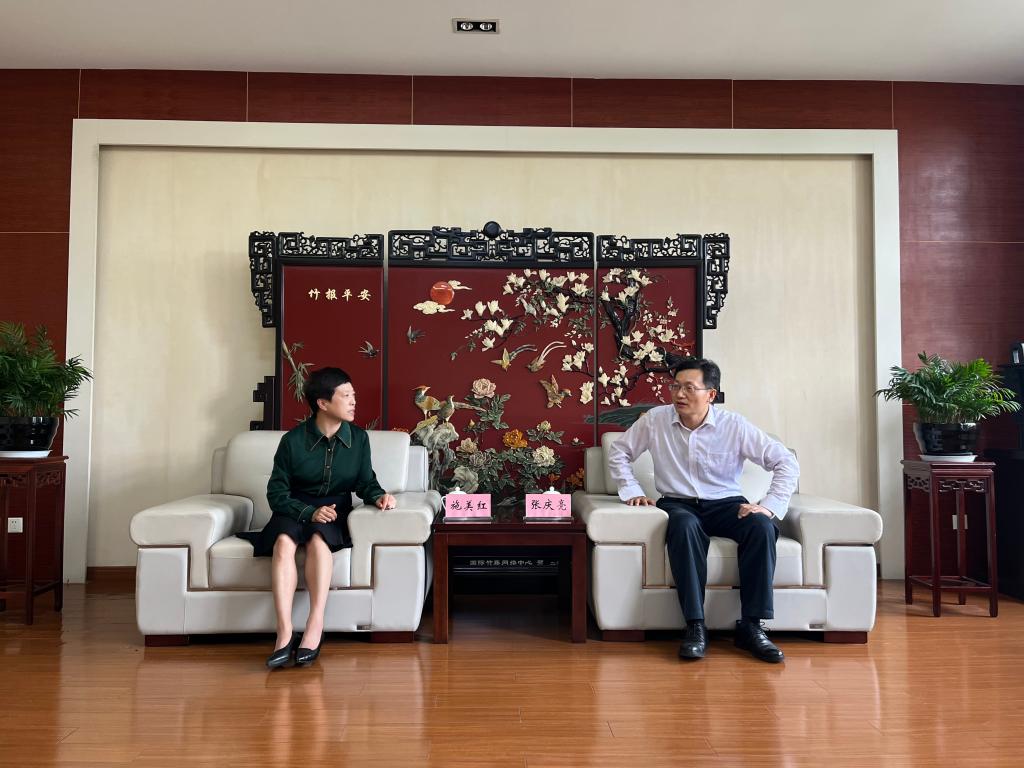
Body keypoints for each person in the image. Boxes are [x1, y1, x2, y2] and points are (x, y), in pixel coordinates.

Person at [607, 358, 799, 663]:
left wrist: (768, 506)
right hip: (678, 503)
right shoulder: (655, 420)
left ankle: (752, 626)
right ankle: (695, 626)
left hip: (727, 504)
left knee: (762, 527)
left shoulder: (734, 425)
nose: (679, 394)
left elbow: (785, 461)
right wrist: (633, 492)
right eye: (675, 387)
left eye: (689, 388)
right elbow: (620, 451)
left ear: (711, 394)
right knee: (684, 527)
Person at [239, 367, 396, 668]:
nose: (353, 401)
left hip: (334, 509)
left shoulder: (359, 439)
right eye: (346, 396)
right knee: (283, 542)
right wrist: (309, 512)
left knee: (318, 540)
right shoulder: (293, 441)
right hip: (293, 507)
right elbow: (276, 493)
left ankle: (315, 624)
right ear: (323, 403)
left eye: (353, 395)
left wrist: (378, 496)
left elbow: (365, 482)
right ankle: (284, 632)